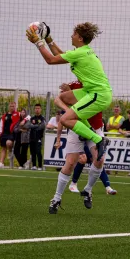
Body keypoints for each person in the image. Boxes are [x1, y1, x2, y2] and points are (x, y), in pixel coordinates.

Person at [26, 21, 111, 162]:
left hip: (99, 94)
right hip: (91, 91)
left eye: (74, 34)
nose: (71, 36)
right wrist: (48, 38)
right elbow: (59, 54)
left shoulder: (81, 53)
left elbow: (51, 60)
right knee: (64, 98)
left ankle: (99, 139)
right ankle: (88, 129)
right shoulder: (81, 51)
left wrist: (38, 42)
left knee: (65, 119)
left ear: (80, 39)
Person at [48, 80, 109, 213]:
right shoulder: (73, 85)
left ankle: (87, 190)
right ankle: (56, 198)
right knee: (70, 163)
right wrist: (68, 108)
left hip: (95, 127)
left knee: (99, 160)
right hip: (76, 127)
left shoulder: (99, 84)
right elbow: (58, 100)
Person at [0, 102, 20, 168]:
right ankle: (1, 163)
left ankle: (10, 151)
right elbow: (1, 124)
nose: (12, 107)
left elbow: (27, 116)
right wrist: (0, 132)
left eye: (13, 106)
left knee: (8, 143)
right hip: (4, 133)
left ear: (15, 107)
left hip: (12, 133)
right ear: (9, 107)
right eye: (11, 106)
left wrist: (25, 120)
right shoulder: (4, 116)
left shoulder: (18, 114)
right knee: (3, 148)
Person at [29, 103, 45, 171]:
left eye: (38, 108)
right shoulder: (32, 118)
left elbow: (42, 127)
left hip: (39, 137)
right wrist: (37, 126)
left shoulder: (42, 118)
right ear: (34, 109)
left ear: (40, 109)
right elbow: (29, 126)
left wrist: (34, 126)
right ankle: (34, 165)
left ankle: (40, 166)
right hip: (31, 137)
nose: (37, 110)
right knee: (33, 152)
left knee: (38, 151)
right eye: (36, 108)